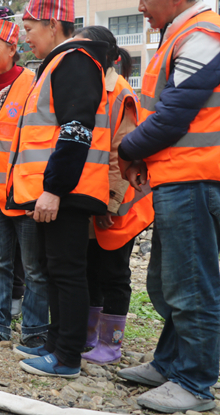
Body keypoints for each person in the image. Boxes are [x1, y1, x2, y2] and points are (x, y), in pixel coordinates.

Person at [117, 0, 220, 413]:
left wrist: (127, 150)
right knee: (168, 279)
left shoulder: (201, 33)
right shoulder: (178, 34)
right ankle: (169, 363)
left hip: (196, 176)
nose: (140, 4)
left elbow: (175, 114)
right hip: (177, 174)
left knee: (191, 282)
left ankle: (196, 384)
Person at [7, 0, 110, 378]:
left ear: (53, 25)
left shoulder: (75, 62)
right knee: (55, 269)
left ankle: (67, 357)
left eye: (30, 30)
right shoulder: (55, 66)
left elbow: (75, 130)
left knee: (67, 271)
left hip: (67, 191)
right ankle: (54, 342)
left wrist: (54, 189)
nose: (26, 38)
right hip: (54, 191)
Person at [69, 26, 154, 367]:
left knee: (114, 274)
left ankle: (111, 343)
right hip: (95, 198)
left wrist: (109, 201)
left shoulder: (119, 93)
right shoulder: (94, 88)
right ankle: (91, 337)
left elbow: (122, 152)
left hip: (118, 203)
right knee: (91, 268)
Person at [0, 8, 48, 349]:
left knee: (33, 268)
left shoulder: (33, 85)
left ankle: (33, 331)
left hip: (27, 193)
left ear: (13, 48)